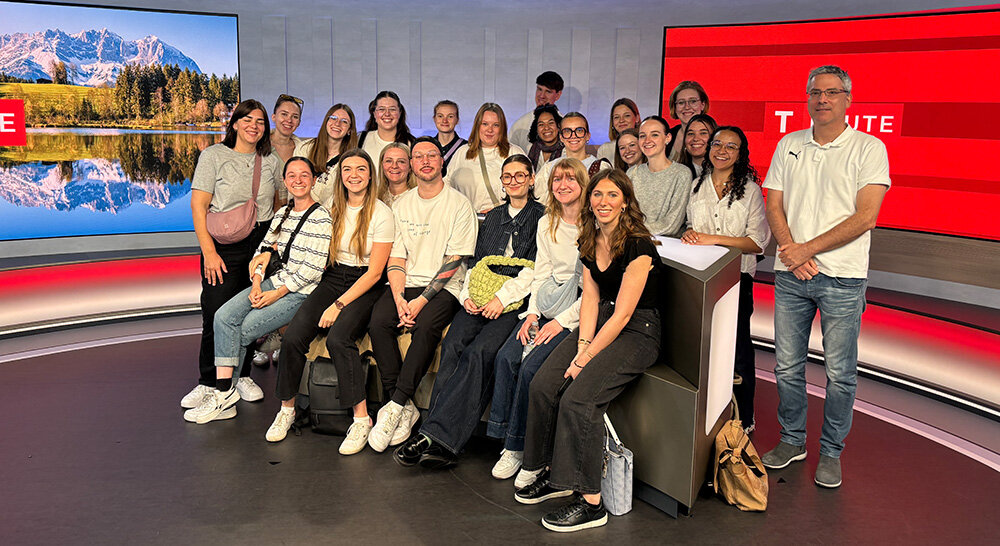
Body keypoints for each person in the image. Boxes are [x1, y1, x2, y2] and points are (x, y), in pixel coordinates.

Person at [759, 66, 890, 489]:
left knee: (840, 373)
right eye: (815, 92)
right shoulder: (789, 143)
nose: (823, 99)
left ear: (848, 99)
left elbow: (866, 216)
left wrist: (804, 250)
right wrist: (792, 254)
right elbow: (774, 205)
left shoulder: (869, 147)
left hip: (843, 279)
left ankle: (831, 452)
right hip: (791, 276)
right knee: (786, 367)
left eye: (832, 92)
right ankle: (792, 440)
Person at [515, 168, 661, 533]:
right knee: (543, 384)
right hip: (601, 321)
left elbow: (625, 312)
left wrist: (587, 357)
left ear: (625, 200)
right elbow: (592, 299)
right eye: (597, 195)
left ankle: (590, 501)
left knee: (579, 400)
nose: (603, 202)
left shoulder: (638, 244)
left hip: (638, 330)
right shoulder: (589, 237)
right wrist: (580, 343)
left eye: (612, 195)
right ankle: (552, 473)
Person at [393, 154, 546, 469]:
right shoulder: (492, 217)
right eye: (508, 176)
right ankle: (435, 435)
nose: (514, 181)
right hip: (478, 295)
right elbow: (472, 265)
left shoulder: (542, 218)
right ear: (501, 182)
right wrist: (467, 297)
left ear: (532, 179)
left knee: (481, 352)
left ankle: (435, 437)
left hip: (515, 301)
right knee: (453, 345)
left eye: (521, 175)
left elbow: (535, 271)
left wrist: (501, 299)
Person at [183, 156, 332, 424]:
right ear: (284, 181)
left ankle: (223, 393)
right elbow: (262, 251)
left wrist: (276, 293)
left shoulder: (321, 217)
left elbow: (313, 269)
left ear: (312, 180)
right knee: (223, 316)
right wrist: (255, 282)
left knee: (245, 328)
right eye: (292, 176)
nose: (298, 180)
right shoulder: (282, 213)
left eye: (304, 175)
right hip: (271, 282)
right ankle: (225, 394)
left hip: (299, 291)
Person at [267, 149, 394, 452]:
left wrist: (337, 306)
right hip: (334, 276)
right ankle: (287, 410)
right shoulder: (330, 207)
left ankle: (361, 420)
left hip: (367, 283)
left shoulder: (381, 213)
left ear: (370, 175)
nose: (353, 174)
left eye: (361, 169)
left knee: (339, 338)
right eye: (347, 169)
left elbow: (375, 273)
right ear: (341, 175)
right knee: (295, 336)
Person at [366, 137, 478, 452]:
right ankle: (401, 405)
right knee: (379, 322)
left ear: (442, 161)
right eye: (419, 156)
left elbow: (454, 261)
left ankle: (395, 404)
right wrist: (400, 297)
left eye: (432, 155)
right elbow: (396, 258)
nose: (425, 161)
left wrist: (420, 300)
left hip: (443, 286)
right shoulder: (401, 204)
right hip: (405, 283)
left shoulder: (458, 204)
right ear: (412, 165)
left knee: (426, 327)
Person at [487, 157, 586, 485]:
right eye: (557, 180)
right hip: (545, 304)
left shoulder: (593, 226)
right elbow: (541, 272)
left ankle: (520, 448)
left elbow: (596, 293)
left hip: (574, 314)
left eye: (570, 179)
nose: (562, 185)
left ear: (583, 184)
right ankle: (503, 438)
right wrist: (532, 313)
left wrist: (559, 322)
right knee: (507, 357)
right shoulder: (548, 222)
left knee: (532, 369)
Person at [181, 99, 283, 411]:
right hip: (223, 245)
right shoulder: (213, 155)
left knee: (249, 312)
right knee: (215, 313)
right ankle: (208, 381)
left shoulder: (271, 160)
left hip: (259, 243)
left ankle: (240, 375)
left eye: (261, 121)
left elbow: (280, 203)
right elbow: (198, 206)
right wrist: (209, 253)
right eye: (248, 119)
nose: (254, 126)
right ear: (235, 123)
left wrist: (275, 243)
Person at [681, 126, 770, 432]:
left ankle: (744, 418)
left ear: (740, 154)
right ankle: (709, 418)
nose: (721, 150)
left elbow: (757, 243)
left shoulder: (750, 190)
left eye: (730, 146)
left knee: (738, 352)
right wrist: (691, 234)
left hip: (737, 280)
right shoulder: (696, 186)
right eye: (717, 143)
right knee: (706, 351)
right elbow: (691, 228)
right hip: (702, 279)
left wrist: (711, 238)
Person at [445, 103, 525, 213]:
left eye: (496, 125)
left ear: (502, 128)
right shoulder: (463, 152)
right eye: (485, 124)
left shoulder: (514, 153)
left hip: (503, 222)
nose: (489, 130)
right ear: (477, 126)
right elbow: (446, 185)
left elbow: (527, 188)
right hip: (469, 221)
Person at [626, 115, 694, 237]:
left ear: (667, 138)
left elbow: (672, 224)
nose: (647, 140)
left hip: (667, 246)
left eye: (655, 135)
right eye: (642, 136)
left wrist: (634, 231)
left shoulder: (682, 174)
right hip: (633, 241)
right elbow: (626, 214)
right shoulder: (632, 173)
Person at [534, 112, 608, 203]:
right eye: (567, 131)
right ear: (561, 137)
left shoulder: (600, 168)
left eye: (579, 130)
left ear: (588, 136)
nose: (573, 136)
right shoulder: (549, 168)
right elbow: (539, 203)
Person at [297, 103, 359, 208]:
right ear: (326, 121)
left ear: (349, 130)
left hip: (331, 217)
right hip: (301, 213)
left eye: (344, 121)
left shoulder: (351, 160)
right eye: (333, 118)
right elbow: (294, 183)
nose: (337, 123)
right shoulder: (304, 148)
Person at [359, 90, 415, 178]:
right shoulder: (360, 139)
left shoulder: (411, 143)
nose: (387, 114)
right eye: (381, 109)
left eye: (392, 109)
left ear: (399, 113)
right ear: (374, 113)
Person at [509, 71, 564, 152]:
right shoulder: (520, 125)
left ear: (558, 95)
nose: (541, 96)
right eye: (539, 89)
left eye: (548, 91)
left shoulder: (565, 124)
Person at [665, 81, 710, 160]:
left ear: (703, 104)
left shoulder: (715, 135)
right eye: (681, 102)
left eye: (693, 101)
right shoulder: (668, 135)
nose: (687, 107)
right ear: (675, 107)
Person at [597, 98, 639, 163]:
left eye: (627, 116)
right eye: (616, 117)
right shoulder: (605, 149)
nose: (621, 120)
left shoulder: (644, 144)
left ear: (637, 118)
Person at [432, 100, 467, 176]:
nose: (445, 121)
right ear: (434, 119)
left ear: (457, 120)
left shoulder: (467, 148)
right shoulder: (427, 146)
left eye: (450, 116)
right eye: (440, 116)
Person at [677, 113, 717, 178]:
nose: (695, 139)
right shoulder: (676, 173)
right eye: (691, 133)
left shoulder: (726, 173)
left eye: (703, 133)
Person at [376, 142, 416, 206]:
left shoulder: (418, 198)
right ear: (382, 165)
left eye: (401, 161)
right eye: (389, 161)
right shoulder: (374, 198)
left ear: (410, 167)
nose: (394, 166)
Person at [525, 104, 563, 170]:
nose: (546, 128)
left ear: (559, 126)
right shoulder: (531, 148)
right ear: (536, 129)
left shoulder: (566, 151)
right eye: (541, 124)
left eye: (551, 123)